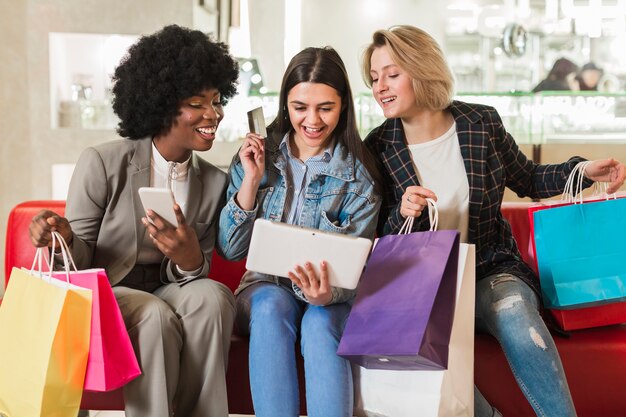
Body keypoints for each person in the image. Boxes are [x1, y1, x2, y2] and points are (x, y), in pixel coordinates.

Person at [362, 25, 626, 417]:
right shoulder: (377, 148)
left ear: (422, 69)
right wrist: (401, 213)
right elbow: (379, 241)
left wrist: (582, 171)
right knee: (417, 350)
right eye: (373, 78)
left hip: (490, 271)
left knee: (513, 310)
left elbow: (528, 178)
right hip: (427, 290)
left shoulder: (480, 123)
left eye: (392, 74)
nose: (380, 86)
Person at [28, 25, 239, 417]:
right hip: (108, 291)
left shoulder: (214, 182)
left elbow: (198, 271)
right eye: (198, 102)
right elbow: (79, 261)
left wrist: (189, 258)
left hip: (170, 289)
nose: (213, 114)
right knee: (153, 315)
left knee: (213, 299)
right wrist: (63, 234)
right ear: (161, 106)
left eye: (216, 100)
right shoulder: (104, 163)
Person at [217, 46, 381, 417]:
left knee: (320, 322)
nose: (312, 120)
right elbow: (229, 249)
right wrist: (252, 183)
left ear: (344, 106)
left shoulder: (360, 177)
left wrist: (328, 294)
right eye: (299, 107)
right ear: (285, 103)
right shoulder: (258, 157)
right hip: (264, 289)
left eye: (326, 108)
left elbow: (354, 270)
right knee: (273, 304)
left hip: (331, 297)